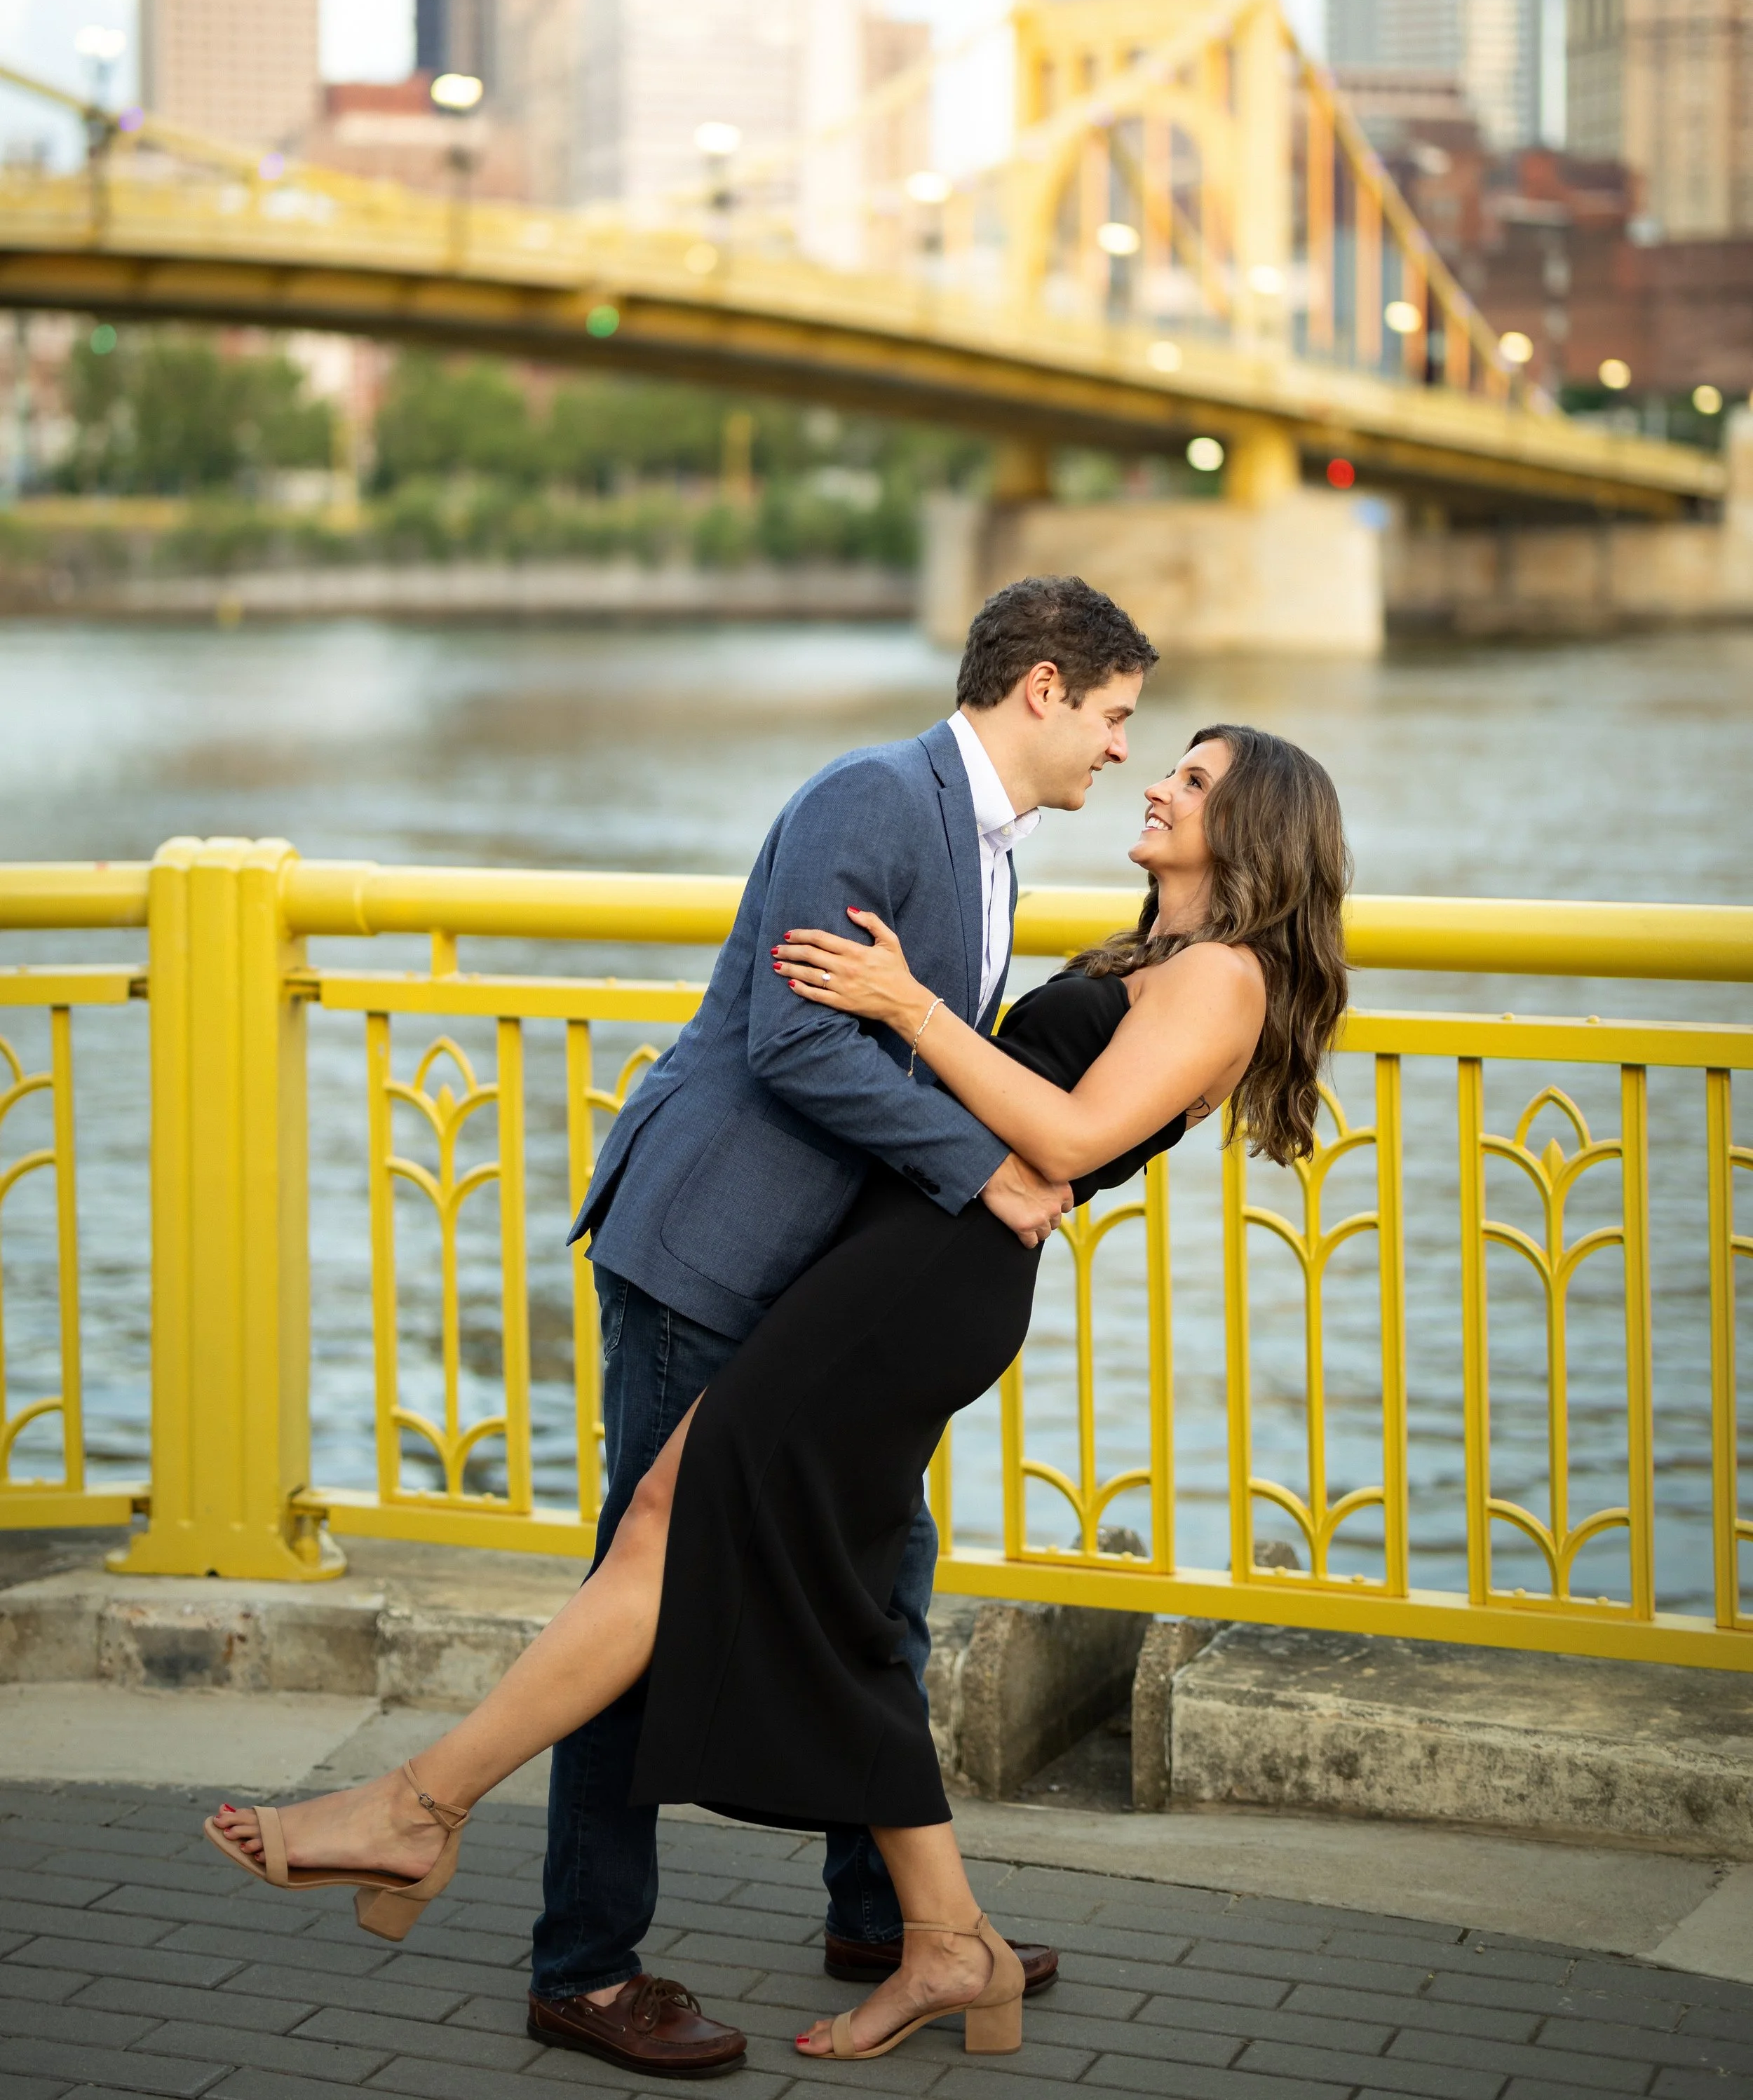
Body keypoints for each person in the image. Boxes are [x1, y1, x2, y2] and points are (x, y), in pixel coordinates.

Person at [205, 700, 1352, 2073]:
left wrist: (905, 1004)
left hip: (923, 1286)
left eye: (1192, 776)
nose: (1152, 781)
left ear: (1259, 830)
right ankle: (936, 1939)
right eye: (1156, 753)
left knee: (686, 1545)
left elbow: (1064, 1139)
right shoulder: (1153, 952)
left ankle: (419, 1808)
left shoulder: (1223, 977)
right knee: (813, 1590)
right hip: (898, 1265)